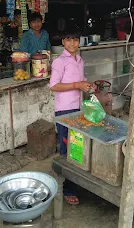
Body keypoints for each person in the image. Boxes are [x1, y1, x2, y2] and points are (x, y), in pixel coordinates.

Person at [49, 31, 95, 205]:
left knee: (76, 147)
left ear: (79, 42)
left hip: (77, 109)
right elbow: (53, 85)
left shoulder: (80, 60)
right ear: (63, 42)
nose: (72, 43)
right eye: (68, 40)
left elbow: (79, 80)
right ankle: (67, 189)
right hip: (64, 112)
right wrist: (77, 85)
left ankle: (74, 181)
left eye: (75, 40)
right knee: (66, 150)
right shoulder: (59, 62)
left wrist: (87, 84)